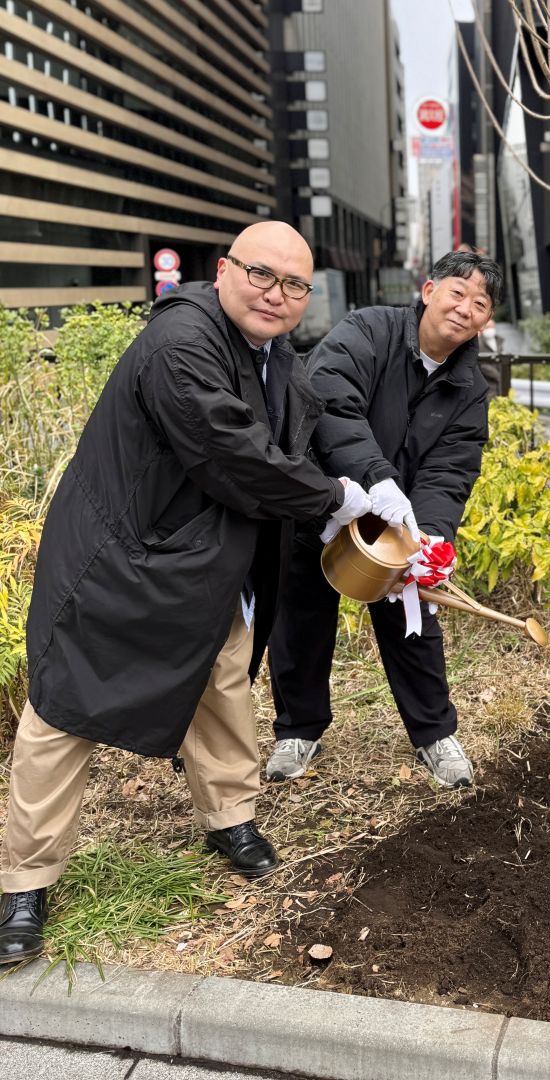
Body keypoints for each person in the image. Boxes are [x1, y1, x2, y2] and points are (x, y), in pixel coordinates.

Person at [0, 222, 372, 964]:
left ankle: (229, 816)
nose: (276, 294)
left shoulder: (273, 355)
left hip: (204, 563)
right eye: (262, 274)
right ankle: (24, 883)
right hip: (119, 555)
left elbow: (312, 424)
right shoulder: (184, 341)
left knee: (224, 680)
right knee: (61, 708)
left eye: (294, 285)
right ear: (224, 269)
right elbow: (227, 446)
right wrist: (331, 496)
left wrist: (378, 481)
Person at [264, 250, 504, 789]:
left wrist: (430, 536)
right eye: (457, 293)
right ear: (428, 291)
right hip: (325, 497)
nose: (465, 309)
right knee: (301, 617)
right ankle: (297, 729)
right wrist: (375, 477)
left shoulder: (470, 389)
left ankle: (435, 734)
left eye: (480, 304)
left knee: (413, 620)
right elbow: (329, 401)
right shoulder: (369, 330)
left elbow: (451, 469)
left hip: (398, 523)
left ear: (486, 321)